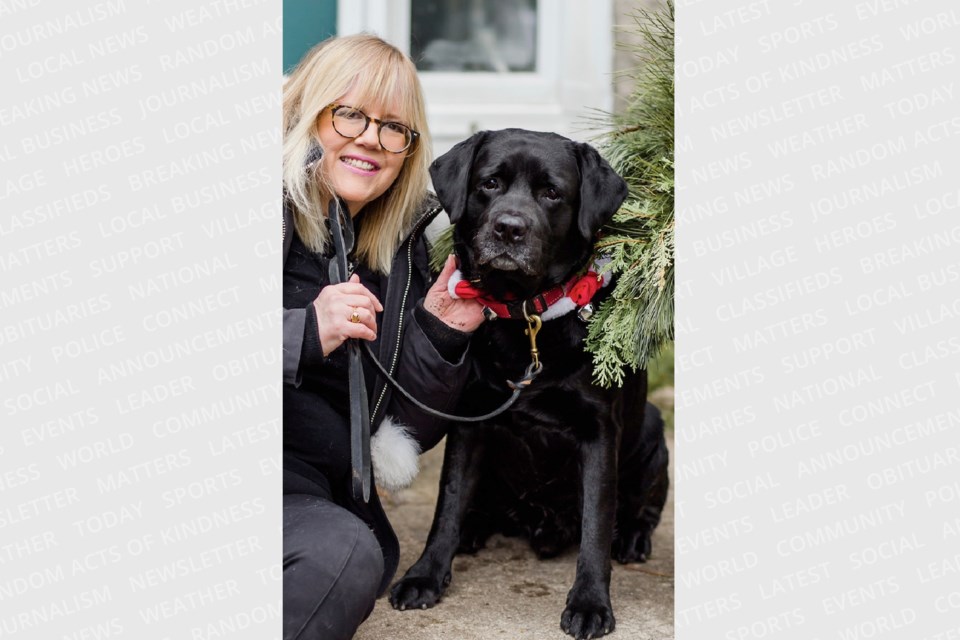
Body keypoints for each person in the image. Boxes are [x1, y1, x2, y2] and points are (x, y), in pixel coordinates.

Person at [282, 34, 485, 640]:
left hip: (303, 502)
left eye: (394, 127)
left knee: (348, 555)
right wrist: (301, 331)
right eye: (349, 113)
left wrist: (440, 337)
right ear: (307, 110)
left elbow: (399, 433)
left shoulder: (397, 253)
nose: (371, 138)